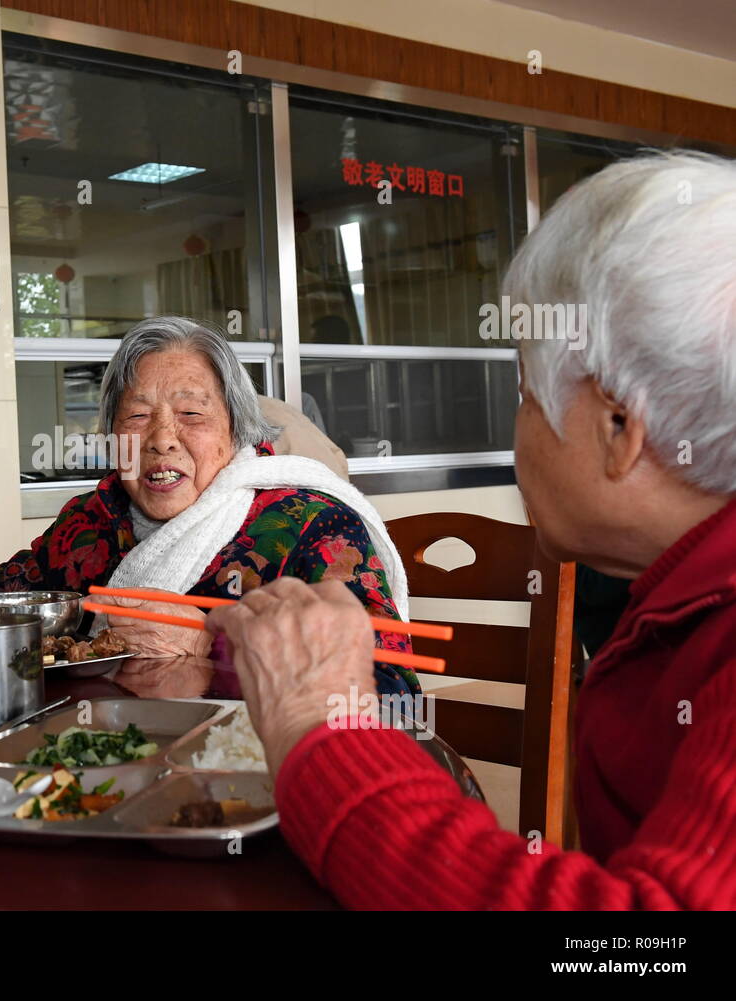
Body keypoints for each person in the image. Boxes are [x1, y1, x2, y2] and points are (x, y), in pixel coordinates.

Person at [206, 150, 736, 909]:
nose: (517, 424)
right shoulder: (666, 602)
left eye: (524, 389)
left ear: (621, 426)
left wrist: (317, 725)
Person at [0, 316, 418, 697]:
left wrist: (209, 647)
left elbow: (392, 691)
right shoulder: (90, 521)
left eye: (192, 413)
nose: (162, 439)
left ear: (237, 429)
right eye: (138, 416)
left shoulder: (311, 526)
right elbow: (1, 606)